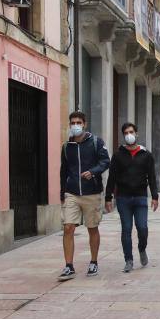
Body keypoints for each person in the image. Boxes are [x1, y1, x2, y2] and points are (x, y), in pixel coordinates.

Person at [58, 111, 110, 281]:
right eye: (72, 122)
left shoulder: (96, 142)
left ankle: (94, 261)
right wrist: (62, 193)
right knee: (68, 227)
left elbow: (105, 161)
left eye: (78, 122)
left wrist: (93, 172)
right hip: (71, 192)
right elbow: (63, 171)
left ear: (85, 124)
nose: (75, 125)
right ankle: (68, 266)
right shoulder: (67, 146)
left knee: (92, 228)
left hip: (91, 193)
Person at [104, 122, 159, 273]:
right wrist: (108, 197)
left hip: (141, 197)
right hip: (123, 198)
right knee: (126, 229)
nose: (129, 135)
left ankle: (142, 248)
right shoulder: (118, 155)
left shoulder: (146, 155)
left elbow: (152, 177)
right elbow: (112, 177)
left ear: (136, 134)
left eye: (131, 132)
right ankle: (128, 260)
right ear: (124, 135)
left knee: (142, 227)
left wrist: (155, 196)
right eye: (126, 133)